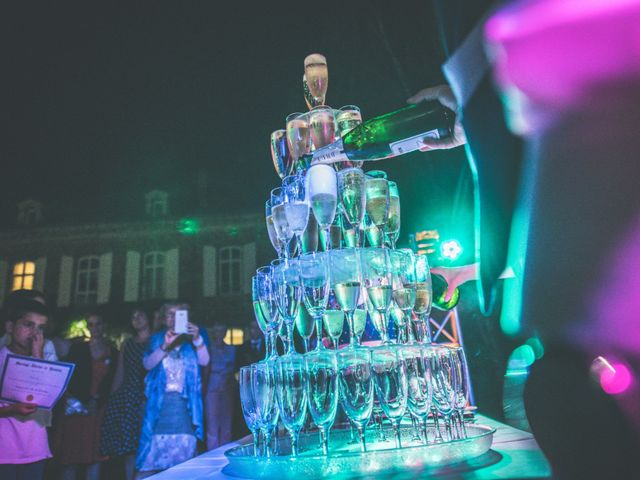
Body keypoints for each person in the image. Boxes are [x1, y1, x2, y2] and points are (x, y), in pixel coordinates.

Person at [135, 303, 210, 478]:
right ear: (164, 318)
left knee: (184, 466)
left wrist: (198, 339)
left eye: (179, 314)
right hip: (158, 408)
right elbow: (147, 364)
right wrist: (164, 346)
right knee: (148, 463)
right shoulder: (156, 338)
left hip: (183, 408)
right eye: (170, 314)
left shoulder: (192, 340)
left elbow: (205, 362)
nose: (174, 318)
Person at [54, 313, 118, 480]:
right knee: (71, 456)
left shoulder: (113, 352)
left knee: (94, 456)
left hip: (99, 410)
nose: (95, 328)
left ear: (104, 326)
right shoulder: (77, 348)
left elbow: (113, 381)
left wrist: (100, 400)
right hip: (77, 408)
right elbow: (69, 376)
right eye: (91, 324)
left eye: (98, 324)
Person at [0, 299, 51, 480]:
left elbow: (47, 400)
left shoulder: (43, 360)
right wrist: (11, 409)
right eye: (28, 325)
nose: (35, 334)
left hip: (35, 449)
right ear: (10, 327)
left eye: (41, 328)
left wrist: (38, 355)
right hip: (4, 452)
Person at [99, 309, 151, 480]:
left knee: (146, 444)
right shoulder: (128, 343)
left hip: (147, 396)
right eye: (133, 316)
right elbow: (120, 371)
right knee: (129, 447)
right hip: (128, 396)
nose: (136, 319)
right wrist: (113, 396)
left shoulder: (155, 340)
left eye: (140, 315)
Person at [204, 322, 237, 450]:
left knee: (226, 424)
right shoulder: (208, 349)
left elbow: (234, 368)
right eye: (216, 331)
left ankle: (224, 454)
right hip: (211, 390)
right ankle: (212, 454)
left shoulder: (232, 348)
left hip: (227, 389)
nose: (219, 334)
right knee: (212, 425)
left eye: (222, 330)